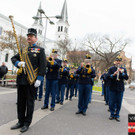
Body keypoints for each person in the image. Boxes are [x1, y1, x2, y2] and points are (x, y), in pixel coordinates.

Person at [10, 28, 46, 133]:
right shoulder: (23, 50)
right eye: (28, 35)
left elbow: (43, 66)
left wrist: (39, 78)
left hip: (32, 81)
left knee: (30, 103)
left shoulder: (40, 50)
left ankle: (26, 123)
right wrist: (18, 63)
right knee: (20, 102)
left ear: (36, 38)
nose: (29, 37)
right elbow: (13, 58)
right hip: (21, 80)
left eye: (31, 36)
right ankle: (20, 121)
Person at [107, 55, 128, 121]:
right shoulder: (111, 68)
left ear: (121, 62)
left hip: (120, 88)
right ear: (115, 62)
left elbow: (126, 78)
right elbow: (108, 77)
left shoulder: (124, 69)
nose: (118, 62)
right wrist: (113, 74)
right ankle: (112, 114)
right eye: (117, 61)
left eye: (119, 61)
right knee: (112, 102)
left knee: (119, 102)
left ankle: (117, 115)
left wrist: (123, 73)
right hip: (112, 87)